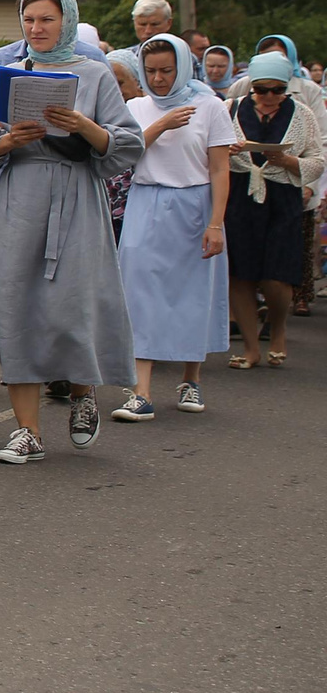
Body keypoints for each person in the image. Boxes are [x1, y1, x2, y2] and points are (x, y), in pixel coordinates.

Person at [0, 0, 143, 462]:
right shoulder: (9, 72)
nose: (37, 29)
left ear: (66, 20)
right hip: (20, 197)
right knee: (15, 304)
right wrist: (10, 140)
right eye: (29, 20)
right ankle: (28, 431)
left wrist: (82, 126)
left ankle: (83, 395)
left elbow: (128, 143)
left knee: (72, 303)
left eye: (46, 19)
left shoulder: (95, 74)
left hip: (76, 196)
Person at [110, 34, 231, 419]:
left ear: (183, 67)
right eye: (151, 71)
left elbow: (219, 167)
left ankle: (190, 379)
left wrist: (216, 222)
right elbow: (125, 153)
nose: (159, 79)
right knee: (140, 293)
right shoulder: (137, 106)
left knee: (191, 293)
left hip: (195, 203)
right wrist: (161, 124)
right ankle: (140, 391)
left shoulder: (210, 107)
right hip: (146, 201)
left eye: (167, 70)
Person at [222, 50, 323, 369]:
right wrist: (227, 150)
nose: (268, 97)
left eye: (277, 90)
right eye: (261, 89)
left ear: (286, 88)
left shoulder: (302, 113)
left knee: (277, 275)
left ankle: (277, 327)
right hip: (239, 193)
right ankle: (251, 348)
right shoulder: (231, 108)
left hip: (283, 196)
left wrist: (291, 162)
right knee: (241, 273)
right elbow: (207, 149)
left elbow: (318, 159)